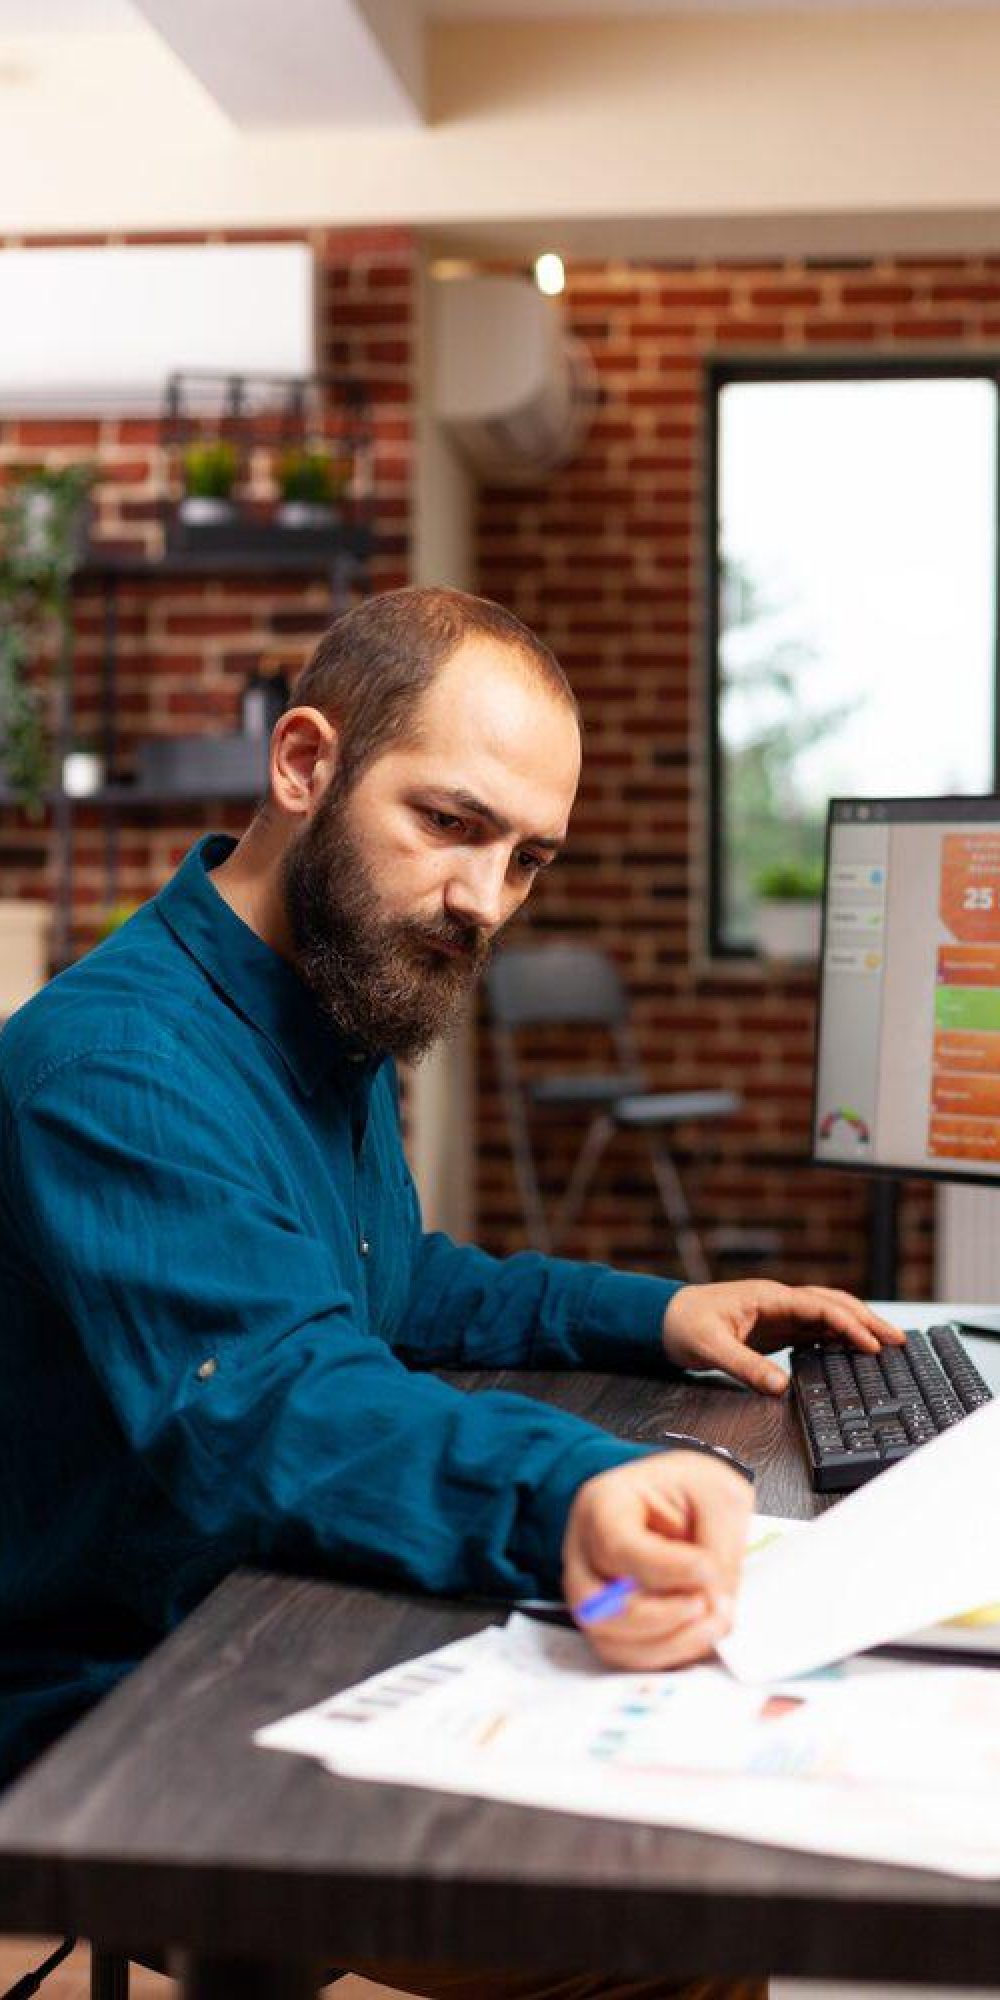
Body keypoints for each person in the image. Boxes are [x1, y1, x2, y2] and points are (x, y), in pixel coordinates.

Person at [0, 586, 900, 1999]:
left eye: (528, 857)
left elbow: (388, 1279)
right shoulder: (118, 1068)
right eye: (452, 824)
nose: (485, 902)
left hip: (251, 1593)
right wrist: (572, 1494)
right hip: (127, 1676)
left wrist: (659, 1313)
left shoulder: (316, 1008)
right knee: (658, 1916)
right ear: (304, 764)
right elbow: (271, 1402)